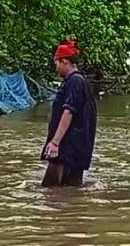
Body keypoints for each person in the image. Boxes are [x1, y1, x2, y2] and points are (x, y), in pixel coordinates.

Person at [41, 39, 98, 187]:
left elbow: (68, 112)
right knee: (72, 191)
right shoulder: (82, 82)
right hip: (79, 149)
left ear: (65, 62)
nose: (56, 68)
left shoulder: (74, 82)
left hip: (66, 148)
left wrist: (55, 142)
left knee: (49, 191)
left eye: (57, 64)